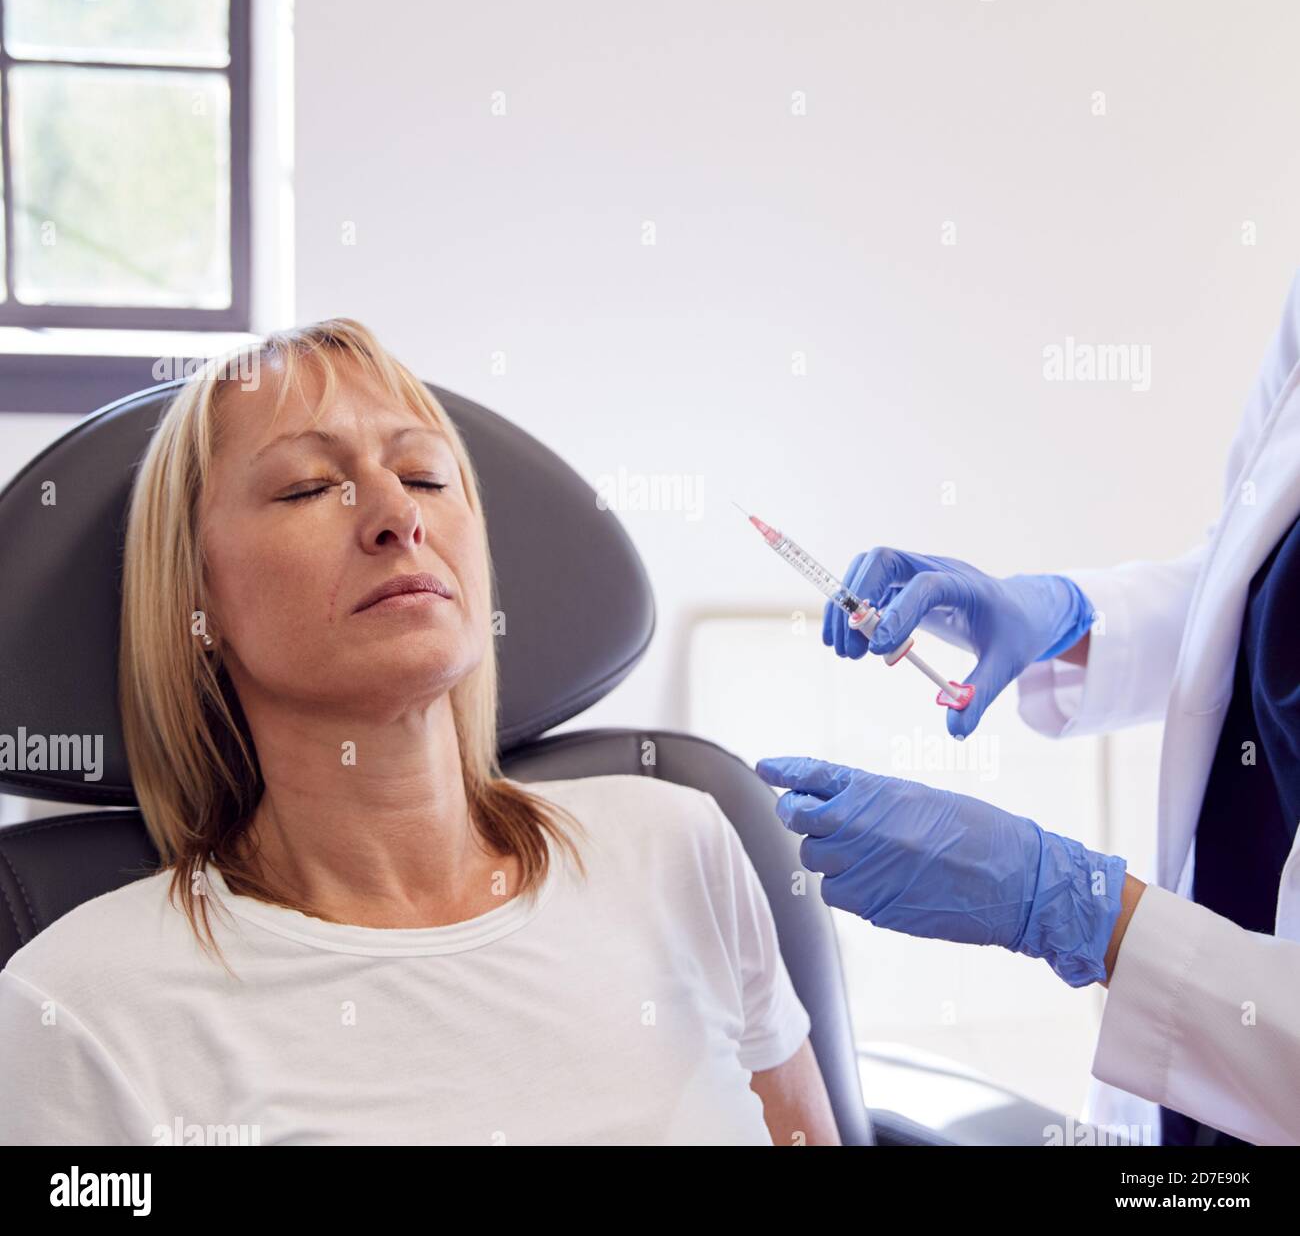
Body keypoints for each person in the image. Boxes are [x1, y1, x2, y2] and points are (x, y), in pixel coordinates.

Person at [0, 320, 838, 1146]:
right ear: (199, 600)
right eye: (305, 488)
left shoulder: (679, 843)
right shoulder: (80, 1008)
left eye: (427, 476)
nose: (398, 515)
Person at [759, 272, 1300, 1147]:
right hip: (1205, 1076)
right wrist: (1062, 616)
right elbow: (1245, 575)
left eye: (445, 485)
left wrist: (1069, 903)